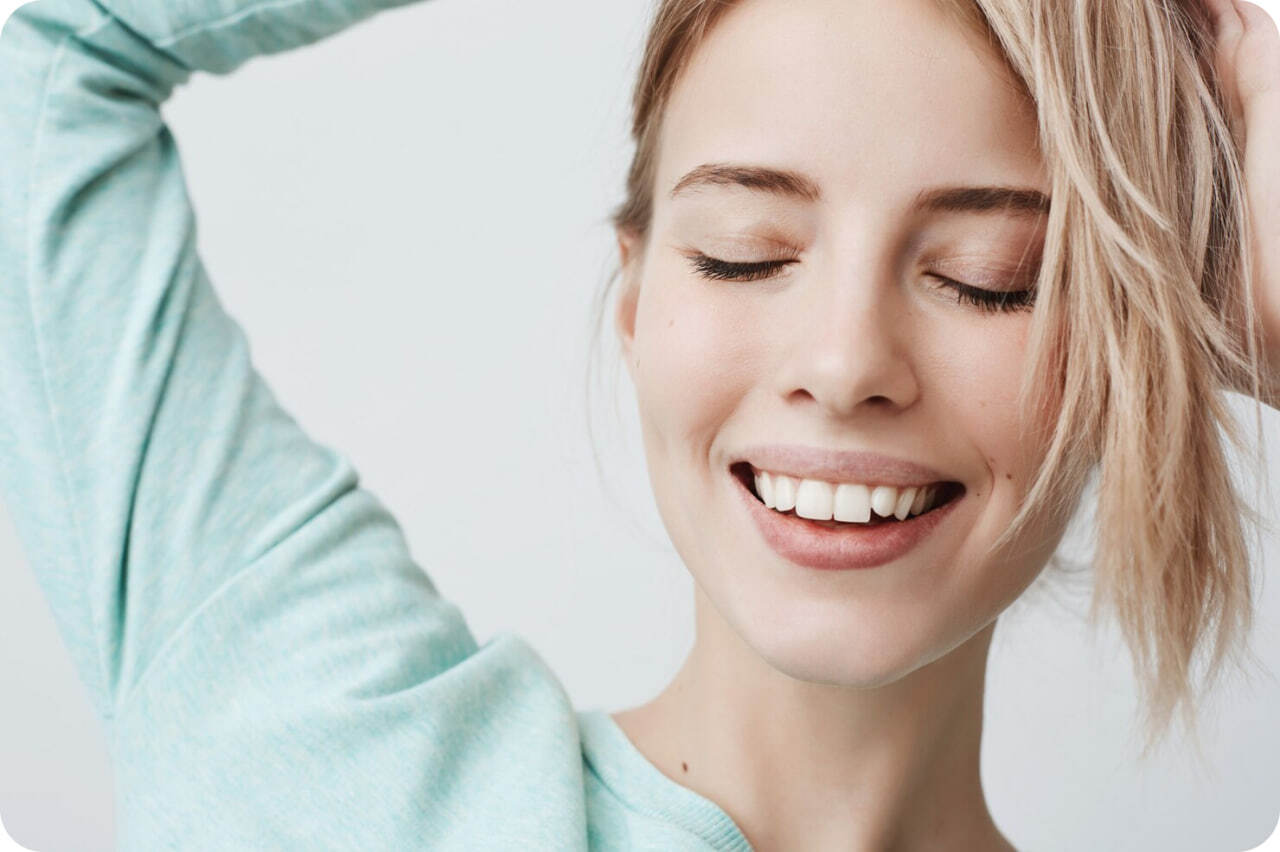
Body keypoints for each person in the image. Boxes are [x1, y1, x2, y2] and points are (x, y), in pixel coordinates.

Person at [0, 0, 1276, 848]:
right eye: (742, 254)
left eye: (988, 276)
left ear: (1135, 347)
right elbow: (42, 60)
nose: (844, 366)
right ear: (634, 300)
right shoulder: (326, 773)